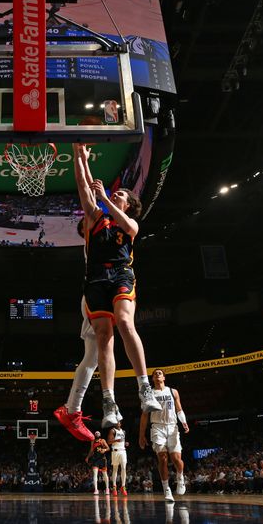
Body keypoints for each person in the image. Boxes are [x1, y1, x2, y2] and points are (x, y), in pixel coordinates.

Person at [73, 143, 160, 427]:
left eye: (121, 194)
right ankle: (109, 401)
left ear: (129, 205)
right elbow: (84, 188)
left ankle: (144, 386)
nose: (116, 193)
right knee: (102, 337)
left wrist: (106, 199)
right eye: (115, 192)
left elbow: (120, 218)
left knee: (125, 322)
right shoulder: (96, 218)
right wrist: (80, 158)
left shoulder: (131, 224)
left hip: (121, 274)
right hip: (95, 278)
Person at [54, 219, 112, 442]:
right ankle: (71, 409)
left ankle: (71, 409)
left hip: (100, 296)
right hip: (96, 298)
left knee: (91, 359)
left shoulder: (108, 240)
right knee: (93, 359)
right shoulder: (93, 239)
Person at [138, 369, 189, 502]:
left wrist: (184, 422)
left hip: (172, 426)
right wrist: (141, 435)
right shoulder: (149, 394)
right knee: (163, 458)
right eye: (155, 374)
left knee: (176, 459)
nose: (157, 375)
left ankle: (180, 477)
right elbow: (144, 416)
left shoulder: (173, 391)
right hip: (157, 427)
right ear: (152, 379)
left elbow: (179, 409)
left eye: (160, 373)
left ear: (164, 377)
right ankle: (166, 489)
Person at [108, 420, 129, 496]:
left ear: (120, 423)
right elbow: (109, 442)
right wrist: (117, 440)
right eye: (116, 422)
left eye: (119, 422)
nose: (117, 423)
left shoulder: (123, 431)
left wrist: (125, 443)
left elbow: (123, 441)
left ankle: (123, 486)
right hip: (115, 451)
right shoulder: (112, 430)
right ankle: (114, 487)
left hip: (123, 451)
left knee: (124, 468)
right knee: (115, 469)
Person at [86, 430, 110, 495]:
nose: (97, 434)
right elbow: (91, 451)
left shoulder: (103, 440)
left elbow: (108, 448)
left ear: (100, 435)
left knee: (105, 474)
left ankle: (107, 488)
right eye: (96, 433)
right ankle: (96, 490)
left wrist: (104, 450)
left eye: (98, 433)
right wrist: (88, 457)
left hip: (102, 459)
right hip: (95, 459)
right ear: (94, 435)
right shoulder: (93, 442)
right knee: (95, 474)